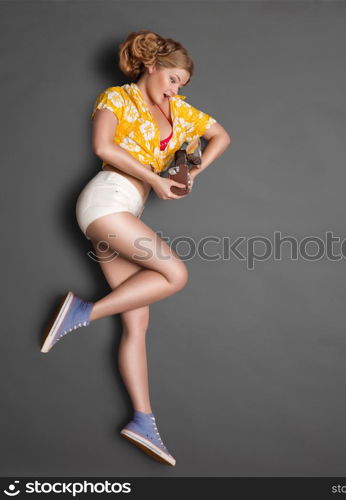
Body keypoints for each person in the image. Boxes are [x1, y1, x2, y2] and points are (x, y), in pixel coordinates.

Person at [40, 30, 231, 466]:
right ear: (152, 66)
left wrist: (192, 174)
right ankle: (81, 312)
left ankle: (142, 420)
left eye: (183, 83)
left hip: (130, 211)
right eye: (172, 78)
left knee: (137, 325)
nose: (176, 87)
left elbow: (221, 136)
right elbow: (102, 146)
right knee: (174, 275)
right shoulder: (117, 98)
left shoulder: (179, 112)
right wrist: (155, 179)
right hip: (106, 200)